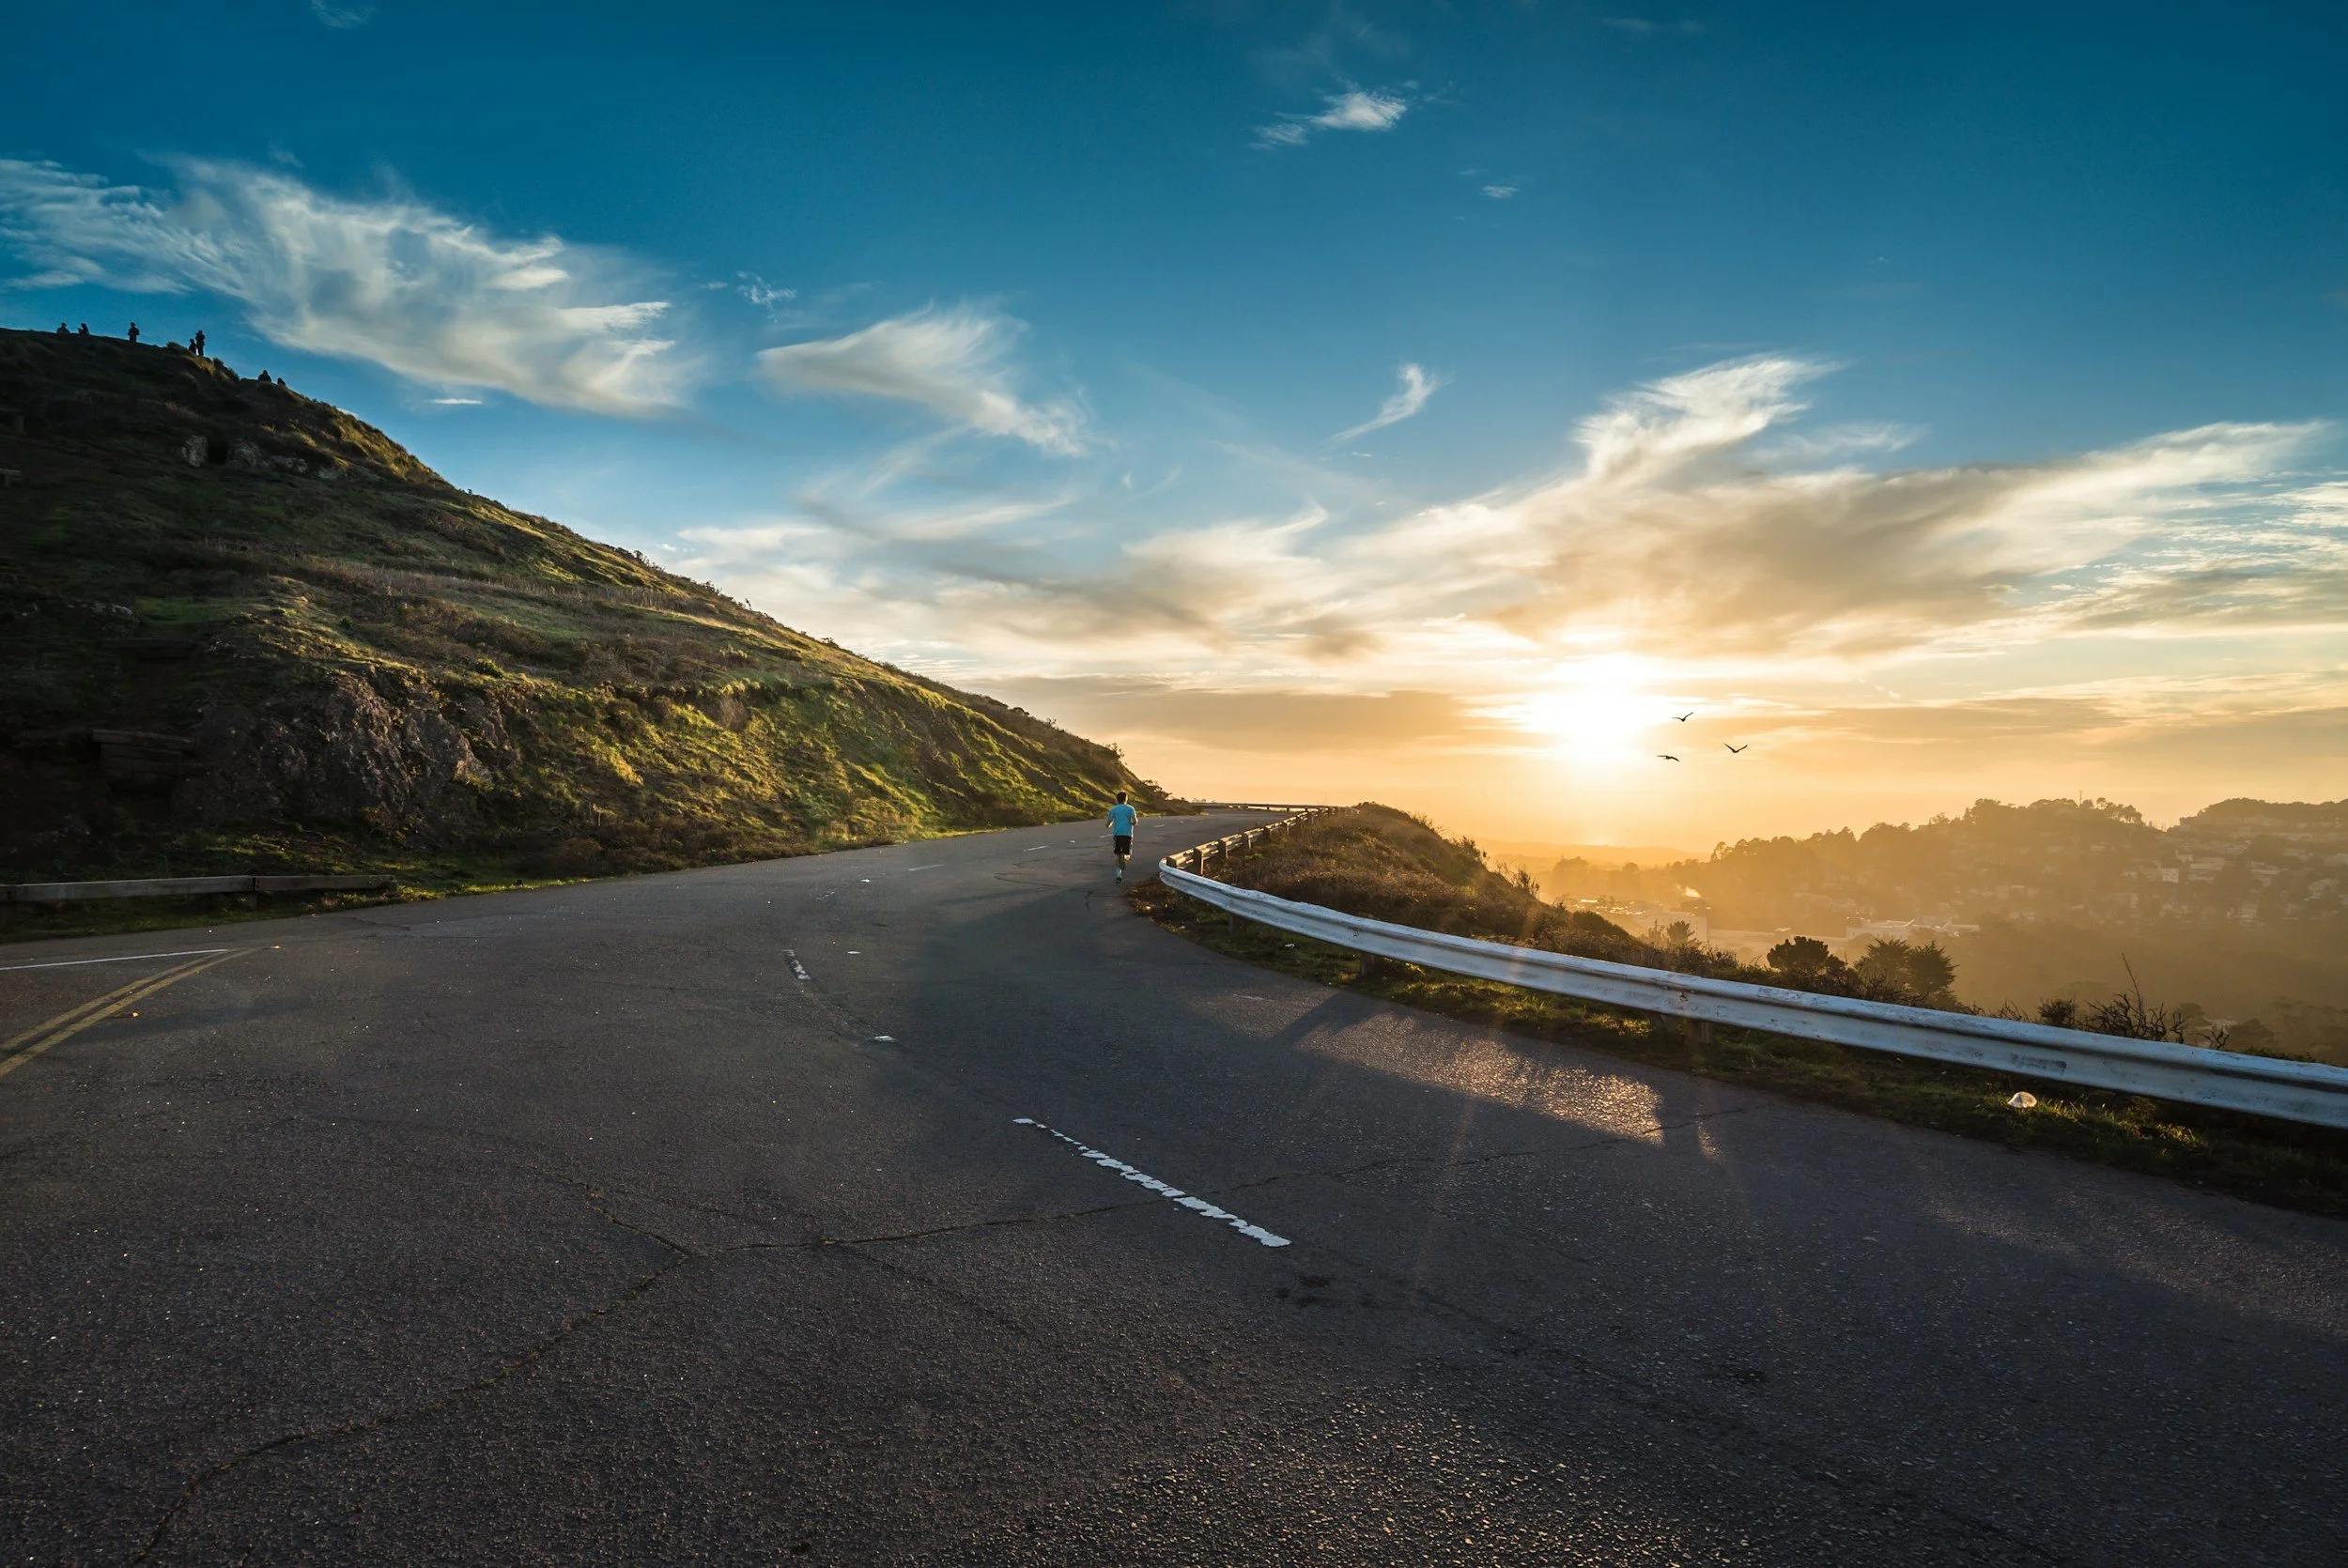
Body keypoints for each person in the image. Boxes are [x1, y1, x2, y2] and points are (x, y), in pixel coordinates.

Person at [1106, 791, 1138, 882]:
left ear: (1117, 799)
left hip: (1117, 834)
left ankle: (1118, 876)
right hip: (1127, 834)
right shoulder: (1130, 808)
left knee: (1117, 855)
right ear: (1126, 799)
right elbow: (1134, 821)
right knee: (1127, 853)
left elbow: (1108, 823)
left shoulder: (1113, 809)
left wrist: (1109, 825)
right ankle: (1124, 858)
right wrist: (1133, 823)